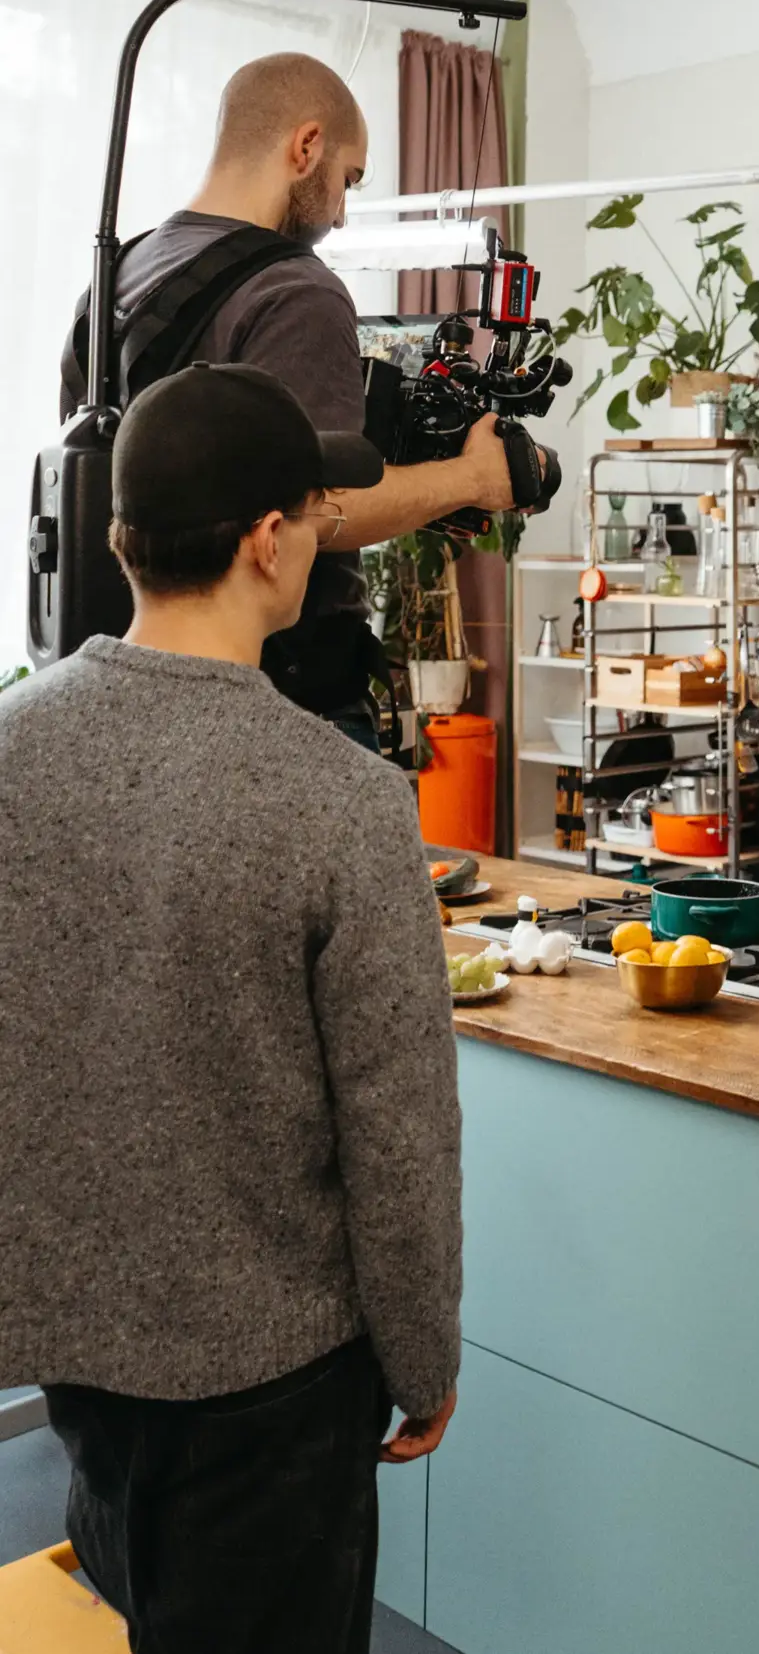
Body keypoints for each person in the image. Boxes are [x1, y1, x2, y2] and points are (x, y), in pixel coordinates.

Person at [0, 364, 463, 1654]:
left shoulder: (10, 756)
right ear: (269, 546)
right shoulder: (342, 800)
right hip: (274, 1386)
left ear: (115, 539)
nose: (320, 539)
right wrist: (423, 1358)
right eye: (316, 517)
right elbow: (400, 1133)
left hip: (81, 1358)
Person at [60, 51, 526, 748]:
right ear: (306, 146)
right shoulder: (294, 291)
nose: (340, 214)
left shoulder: (112, 282)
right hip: (287, 693)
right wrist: (473, 479)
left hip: (134, 681)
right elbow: (321, 508)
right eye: (347, 180)